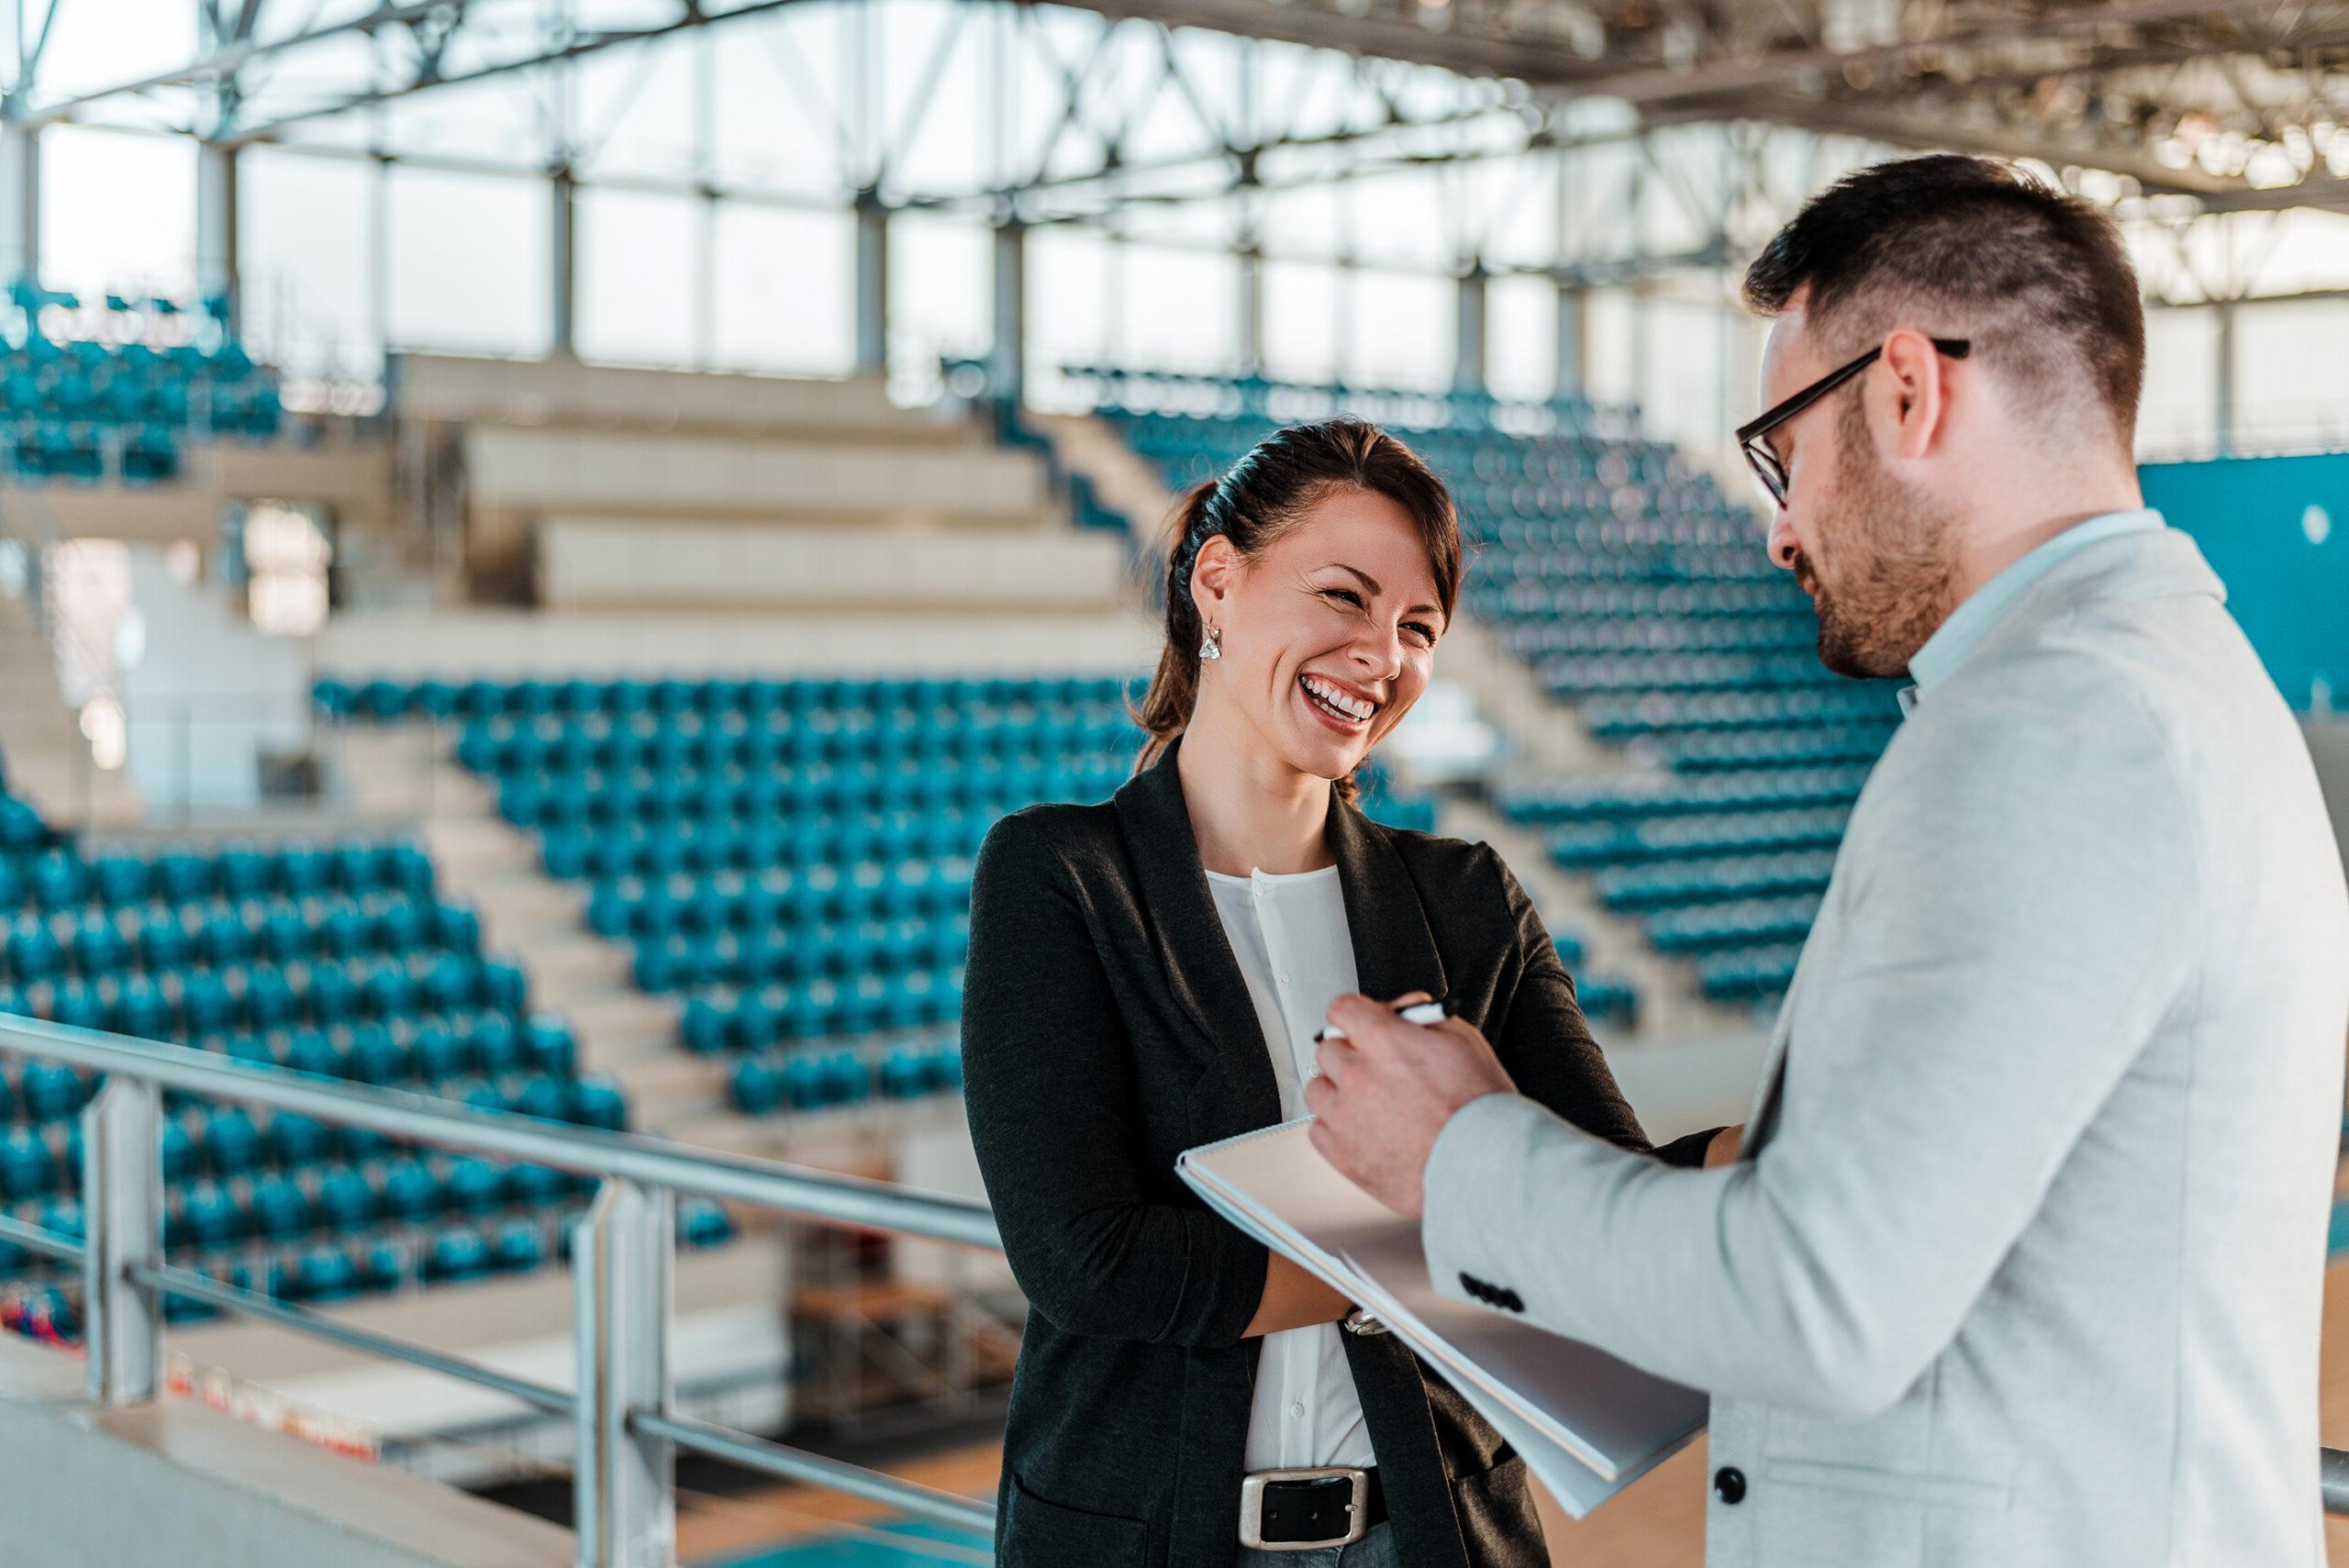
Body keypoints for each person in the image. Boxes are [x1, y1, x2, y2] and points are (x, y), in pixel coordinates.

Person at [1308, 153, 2349, 1568]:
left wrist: (1459, 1158)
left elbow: (1821, 1302)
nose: (1781, 527)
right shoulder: (2169, 683)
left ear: (1910, 389)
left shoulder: (2056, 727)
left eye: (1780, 451)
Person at [959, 416, 1729, 1568]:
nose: (1383, 654)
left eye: (1418, 626)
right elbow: (1093, 1264)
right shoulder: (1058, 875)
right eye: (1342, 596)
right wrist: (1475, 1234)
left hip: (1428, 1535)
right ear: (1216, 583)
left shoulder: (1465, 896)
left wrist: (1780, 1154)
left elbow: (1605, 1197)